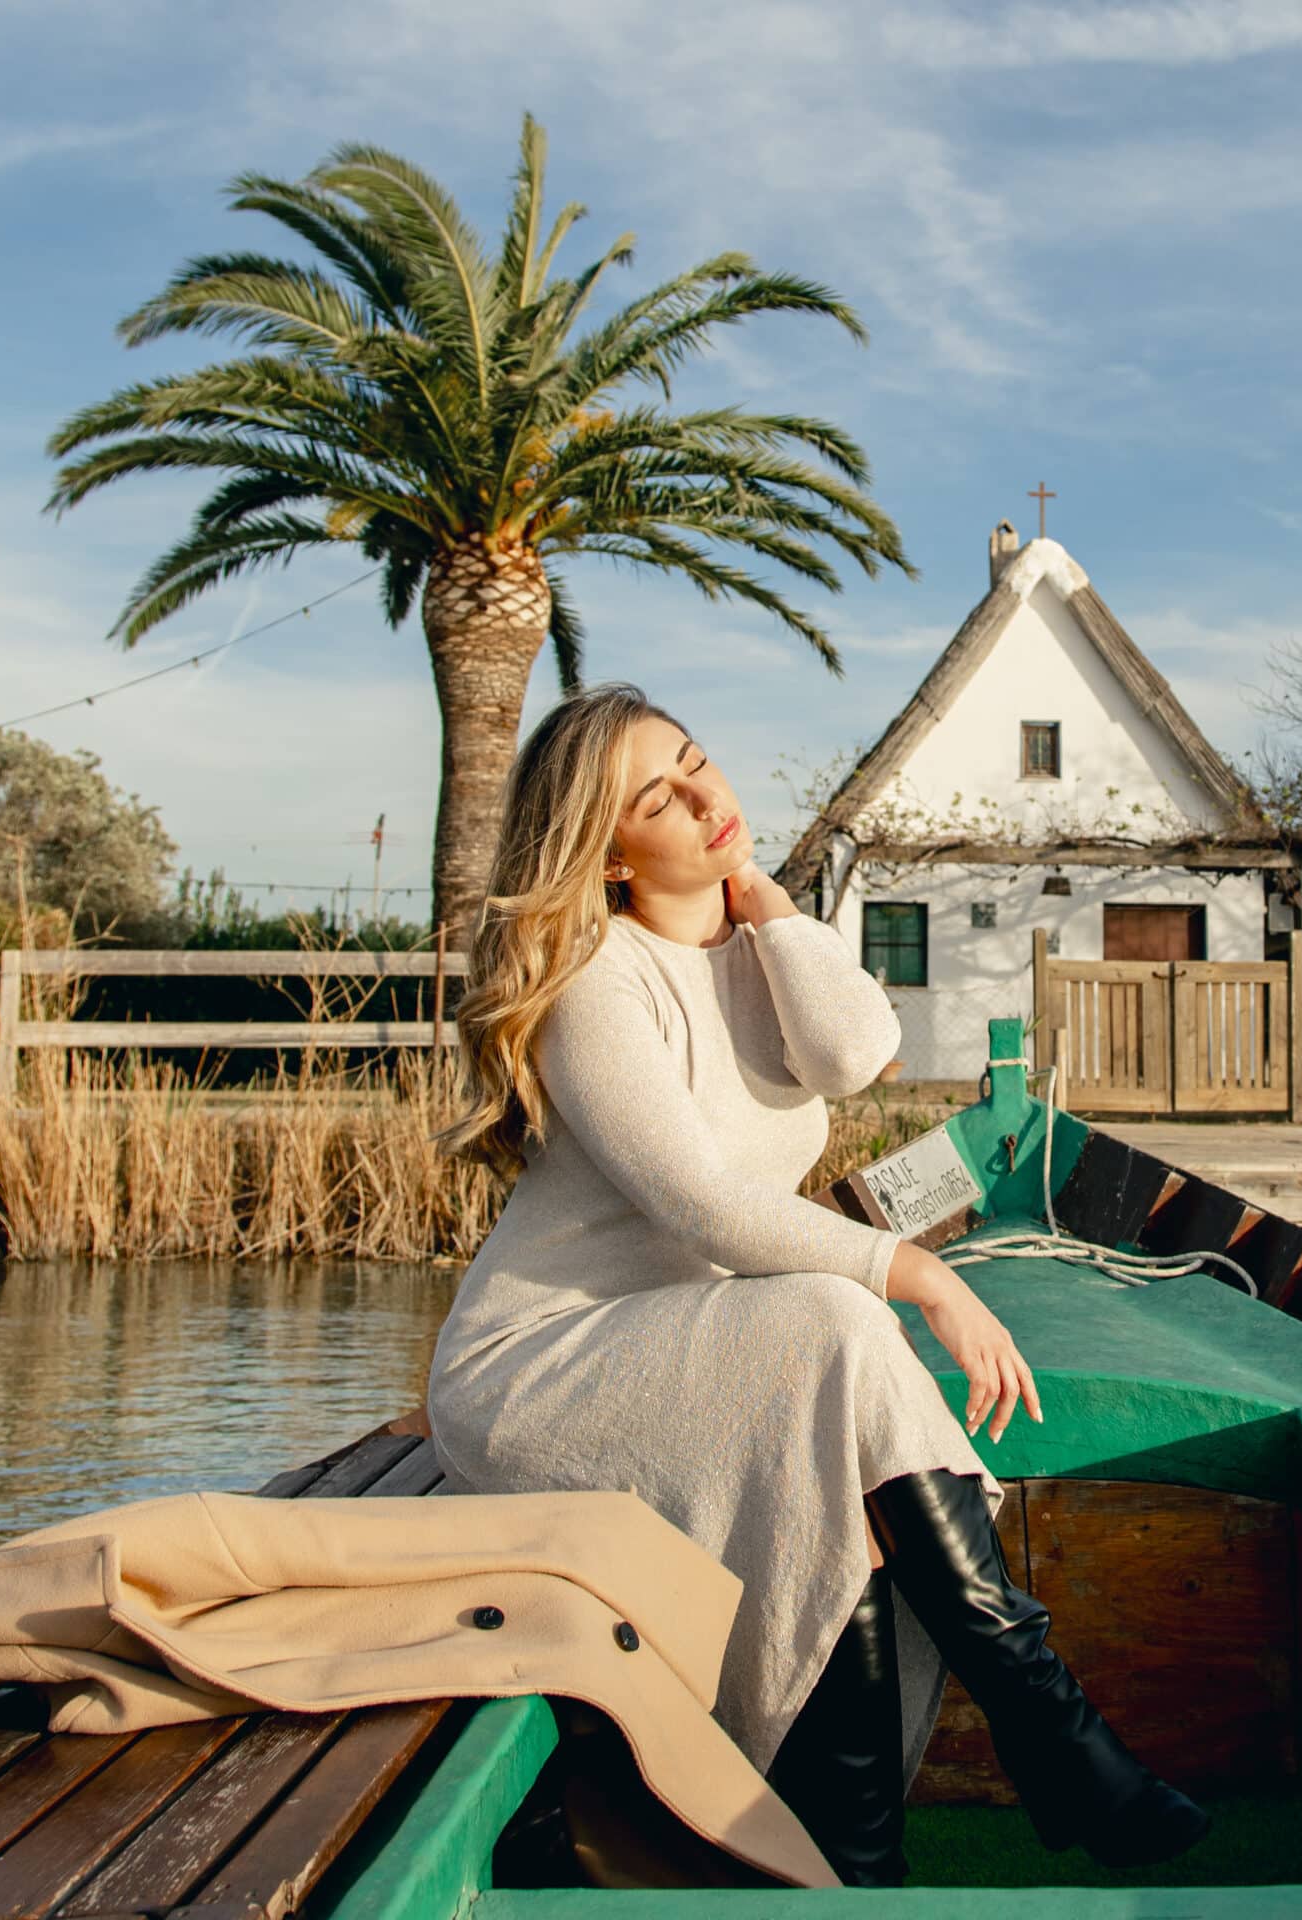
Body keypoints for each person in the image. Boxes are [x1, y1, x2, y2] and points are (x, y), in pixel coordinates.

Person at [425, 681, 1208, 1886]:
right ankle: (1051, 1737)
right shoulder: (596, 984)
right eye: (659, 797)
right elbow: (701, 1208)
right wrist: (913, 1274)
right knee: (834, 1317)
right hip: (546, 1365)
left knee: (831, 1444)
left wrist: (776, 911)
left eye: (698, 762)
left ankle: (864, 1847)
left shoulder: (757, 951)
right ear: (609, 852)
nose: (705, 799)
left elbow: (853, 1054)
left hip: (696, 1337)